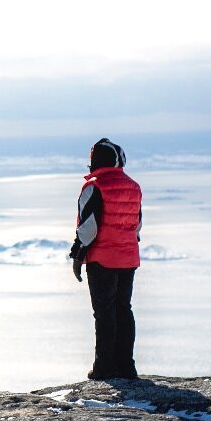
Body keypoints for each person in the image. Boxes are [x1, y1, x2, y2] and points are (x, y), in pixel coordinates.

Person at [69, 137, 142, 381]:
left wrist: (78, 253)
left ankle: (105, 367)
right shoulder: (133, 186)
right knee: (124, 309)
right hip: (128, 257)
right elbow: (137, 224)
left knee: (105, 312)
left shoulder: (95, 187)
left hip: (102, 259)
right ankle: (126, 366)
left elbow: (89, 227)